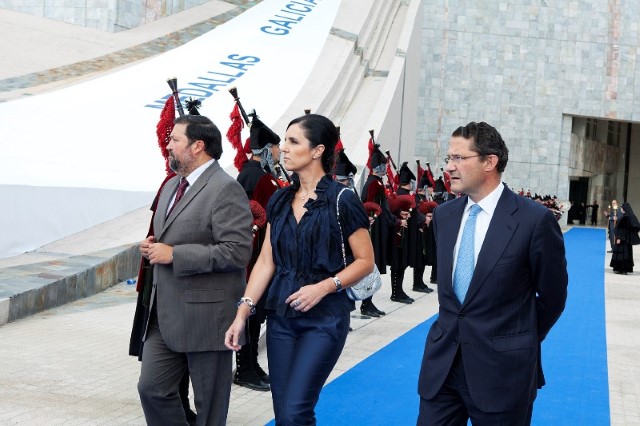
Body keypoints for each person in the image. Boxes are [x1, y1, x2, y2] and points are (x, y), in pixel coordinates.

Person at [225, 113, 375, 425]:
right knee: (284, 413)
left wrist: (324, 286)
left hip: (324, 319)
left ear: (318, 150)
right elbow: (266, 261)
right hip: (281, 318)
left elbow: (365, 261)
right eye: (285, 141)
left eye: (294, 142)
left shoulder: (342, 199)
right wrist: (242, 313)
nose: (285, 149)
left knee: (296, 411)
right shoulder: (280, 200)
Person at [417, 121, 568, 425]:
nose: (449, 167)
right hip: (443, 365)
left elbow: (553, 296)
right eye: (448, 158)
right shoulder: (445, 216)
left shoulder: (534, 220)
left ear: (489, 162)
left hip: (503, 372)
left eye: (459, 158)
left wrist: (517, 336)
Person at [137, 114, 253, 426]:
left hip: (207, 317)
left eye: (175, 139)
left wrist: (175, 254)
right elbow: (169, 238)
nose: (168, 144)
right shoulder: (171, 186)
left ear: (197, 146)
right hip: (163, 315)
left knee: (209, 407)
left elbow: (237, 251)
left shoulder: (225, 189)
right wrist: (153, 248)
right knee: (152, 389)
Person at [233, 115, 282, 392]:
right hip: (254, 258)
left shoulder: (252, 175)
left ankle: (250, 364)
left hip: (253, 256)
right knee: (251, 314)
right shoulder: (260, 179)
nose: (278, 153)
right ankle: (244, 368)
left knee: (255, 315)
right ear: (266, 149)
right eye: (274, 148)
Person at [360, 144, 396, 317]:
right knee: (371, 266)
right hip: (374, 230)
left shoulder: (377, 182)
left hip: (379, 228)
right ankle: (366, 303)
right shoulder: (374, 184)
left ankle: (369, 302)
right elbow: (369, 206)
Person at [610, 202, 640, 275]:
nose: (621, 210)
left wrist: (619, 238)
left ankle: (622, 269)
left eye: (622, 208)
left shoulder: (625, 218)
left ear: (625, 209)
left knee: (622, 254)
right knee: (627, 254)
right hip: (627, 240)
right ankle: (624, 269)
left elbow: (622, 229)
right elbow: (636, 227)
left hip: (622, 239)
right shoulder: (631, 217)